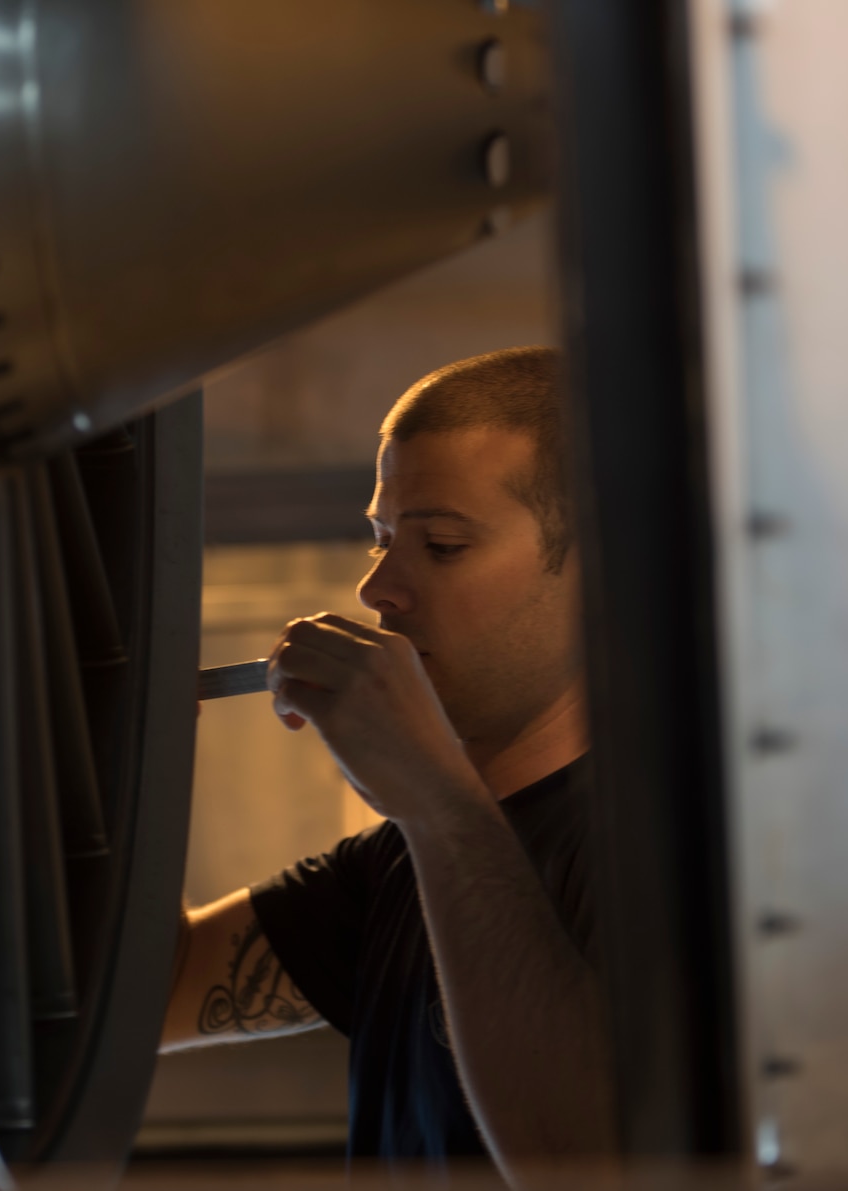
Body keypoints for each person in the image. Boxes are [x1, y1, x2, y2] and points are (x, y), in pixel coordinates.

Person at [161, 346, 615, 1181]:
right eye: (380, 537)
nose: (377, 588)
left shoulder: (680, 845)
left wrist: (436, 800)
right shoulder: (402, 861)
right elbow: (152, 993)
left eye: (441, 545)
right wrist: (136, 763)